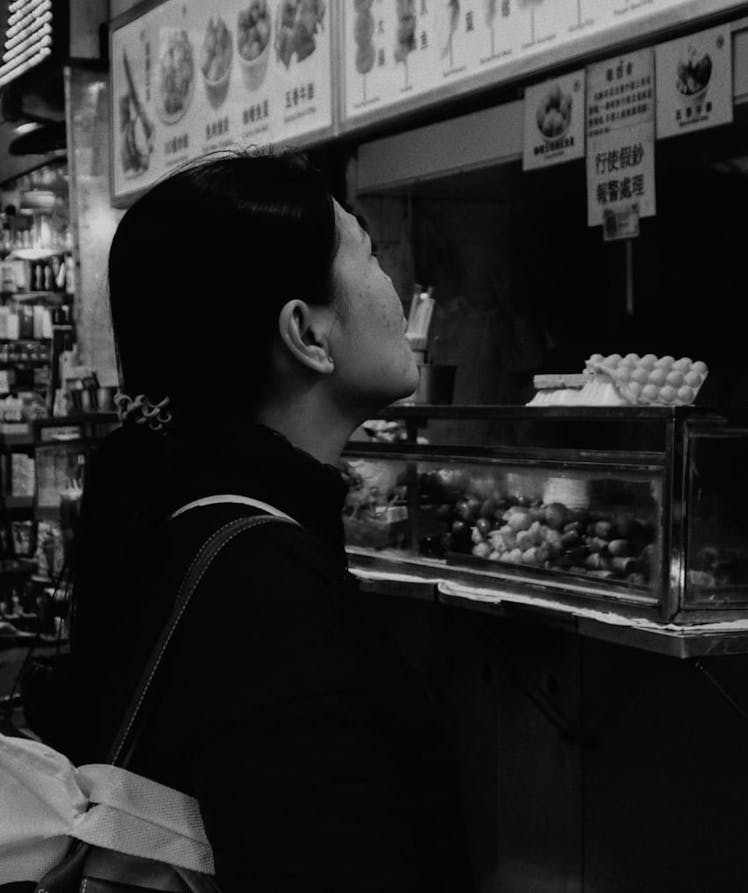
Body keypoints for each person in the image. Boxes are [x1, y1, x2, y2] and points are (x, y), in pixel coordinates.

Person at [69, 150, 474, 892]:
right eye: (370, 255)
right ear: (307, 334)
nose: (390, 286)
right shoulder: (265, 593)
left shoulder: (188, 526)